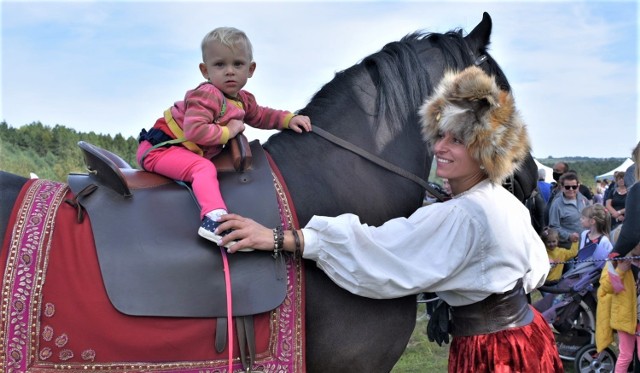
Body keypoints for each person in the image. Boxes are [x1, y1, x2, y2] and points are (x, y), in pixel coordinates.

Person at [217, 66, 563, 372]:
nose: (440, 148)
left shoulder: (463, 214)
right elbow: (534, 272)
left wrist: (279, 239)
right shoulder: (503, 201)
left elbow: (378, 249)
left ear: (485, 150)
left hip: (493, 351)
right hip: (528, 333)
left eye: (456, 140)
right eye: (440, 134)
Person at [137, 27, 312, 246]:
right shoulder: (207, 94)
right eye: (220, 65)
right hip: (161, 150)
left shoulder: (243, 100)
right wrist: (229, 131)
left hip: (184, 152)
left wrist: (287, 119)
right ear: (205, 70)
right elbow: (195, 130)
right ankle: (213, 221)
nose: (230, 71)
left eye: (237, 64)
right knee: (203, 169)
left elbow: (261, 116)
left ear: (251, 69)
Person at [596, 254, 640, 373]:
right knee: (626, 355)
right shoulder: (614, 261)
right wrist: (620, 270)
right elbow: (607, 287)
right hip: (624, 315)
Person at [548, 172, 589, 248]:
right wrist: (568, 236)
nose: (571, 189)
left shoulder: (583, 199)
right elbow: (553, 226)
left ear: (578, 186)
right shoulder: (557, 204)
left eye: (574, 187)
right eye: (567, 187)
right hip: (567, 248)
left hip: (585, 245)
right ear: (562, 187)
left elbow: (591, 215)